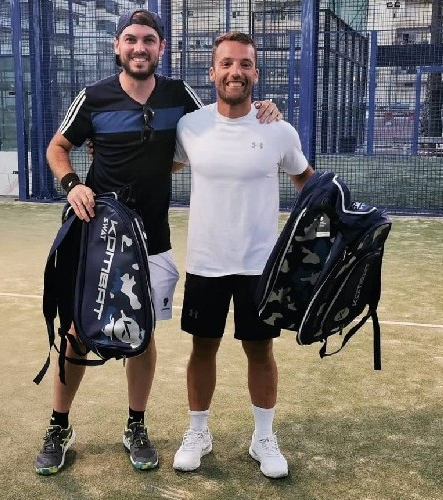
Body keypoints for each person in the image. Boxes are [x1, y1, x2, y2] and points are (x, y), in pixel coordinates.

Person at [35, 9, 281, 475]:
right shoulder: (93, 97)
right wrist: (72, 185)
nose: (139, 48)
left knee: (141, 331)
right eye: (130, 39)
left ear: (161, 48)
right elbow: (57, 147)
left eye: (148, 40)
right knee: (77, 332)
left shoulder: (177, 95)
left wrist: (266, 110)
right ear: (117, 46)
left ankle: (136, 425)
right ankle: (58, 425)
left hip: (152, 239)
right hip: (98, 237)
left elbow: (219, 122)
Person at [171, 32, 314, 478]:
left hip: (259, 266)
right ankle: (198, 433)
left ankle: (263, 438)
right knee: (202, 348)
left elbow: (307, 182)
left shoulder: (278, 129)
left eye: (245, 64)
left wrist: (328, 230)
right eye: (227, 64)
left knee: (260, 350)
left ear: (256, 73)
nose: (236, 72)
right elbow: (160, 166)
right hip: (206, 262)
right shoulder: (190, 126)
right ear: (212, 72)